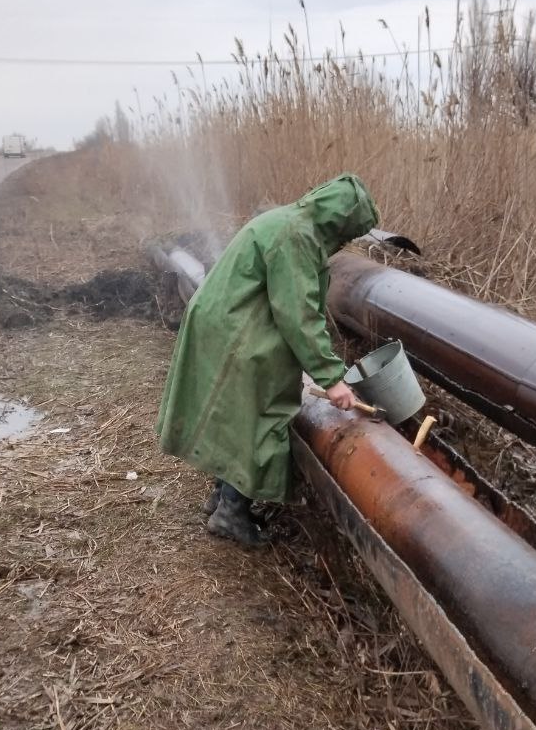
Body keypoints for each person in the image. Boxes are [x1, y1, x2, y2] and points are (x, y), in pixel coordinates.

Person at [156, 173, 379, 547]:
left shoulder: (291, 221)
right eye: (349, 233)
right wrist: (331, 378)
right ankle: (230, 514)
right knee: (258, 418)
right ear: (338, 222)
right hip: (238, 332)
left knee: (232, 417)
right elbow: (298, 314)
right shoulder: (296, 236)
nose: (345, 243)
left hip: (227, 322)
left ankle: (222, 498)